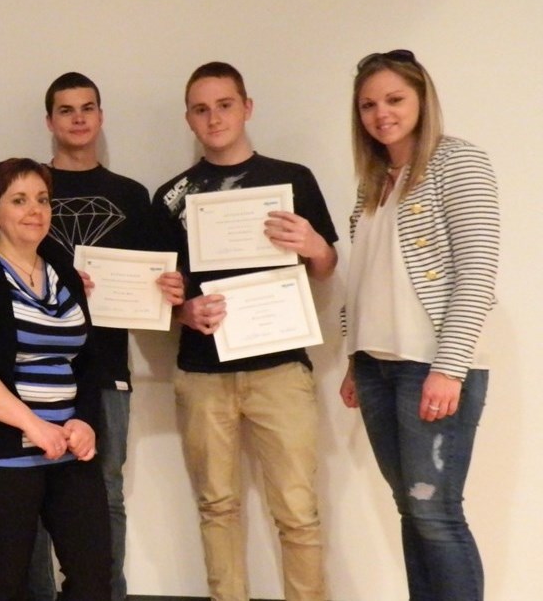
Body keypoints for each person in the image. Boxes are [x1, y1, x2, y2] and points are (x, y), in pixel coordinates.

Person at [153, 61, 337, 601]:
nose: (214, 118)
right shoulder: (170, 196)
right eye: (201, 109)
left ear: (247, 108)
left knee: (298, 512)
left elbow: (325, 268)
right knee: (217, 507)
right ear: (188, 118)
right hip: (202, 372)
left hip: (280, 369)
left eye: (225, 105)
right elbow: (161, 291)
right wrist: (183, 311)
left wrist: (314, 246)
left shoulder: (293, 179)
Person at [338, 50, 497, 600]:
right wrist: (353, 358)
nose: (381, 114)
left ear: (423, 99)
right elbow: (365, 277)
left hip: (430, 364)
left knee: (436, 512)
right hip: (376, 367)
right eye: (368, 105)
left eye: (394, 99)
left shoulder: (458, 162)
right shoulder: (373, 183)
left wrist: (449, 369)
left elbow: (477, 271)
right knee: (411, 508)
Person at [31, 71, 184, 601]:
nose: (78, 119)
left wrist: (171, 288)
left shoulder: (131, 195)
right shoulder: (30, 190)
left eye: (87, 108)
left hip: (106, 366)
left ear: (100, 117)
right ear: (49, 121)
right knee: (31, 492)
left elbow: (161, 274)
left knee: (106, 491)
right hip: (35, 366)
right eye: (66, 109)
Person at [0, 157, 112, 601]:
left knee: (93, 576)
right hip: (0, 454)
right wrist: (33, 426)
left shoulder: (63, 268)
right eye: (19, 200)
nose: (35, 210)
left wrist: (84, 420)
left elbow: (87, 359)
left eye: (42, 199)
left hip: (69, 449)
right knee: (7, 580)